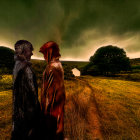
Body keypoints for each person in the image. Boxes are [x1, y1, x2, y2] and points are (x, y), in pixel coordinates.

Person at [11, 40, 41, 140]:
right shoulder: (26, 69)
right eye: (30, 50)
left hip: (18, 112)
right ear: (23, 52)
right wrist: (38, 113)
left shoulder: (17, 65)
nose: (32, 53)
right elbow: (32, 95)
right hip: (28, 114)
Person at [39, 41, 65, 140]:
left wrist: (45, 112)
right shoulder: (57, 64)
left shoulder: (52, 67)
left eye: (45, 53)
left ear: (50, 52)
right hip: (56, 111)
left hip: (51, 112)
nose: (44, 57)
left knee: (51, 135)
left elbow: (52, 93)